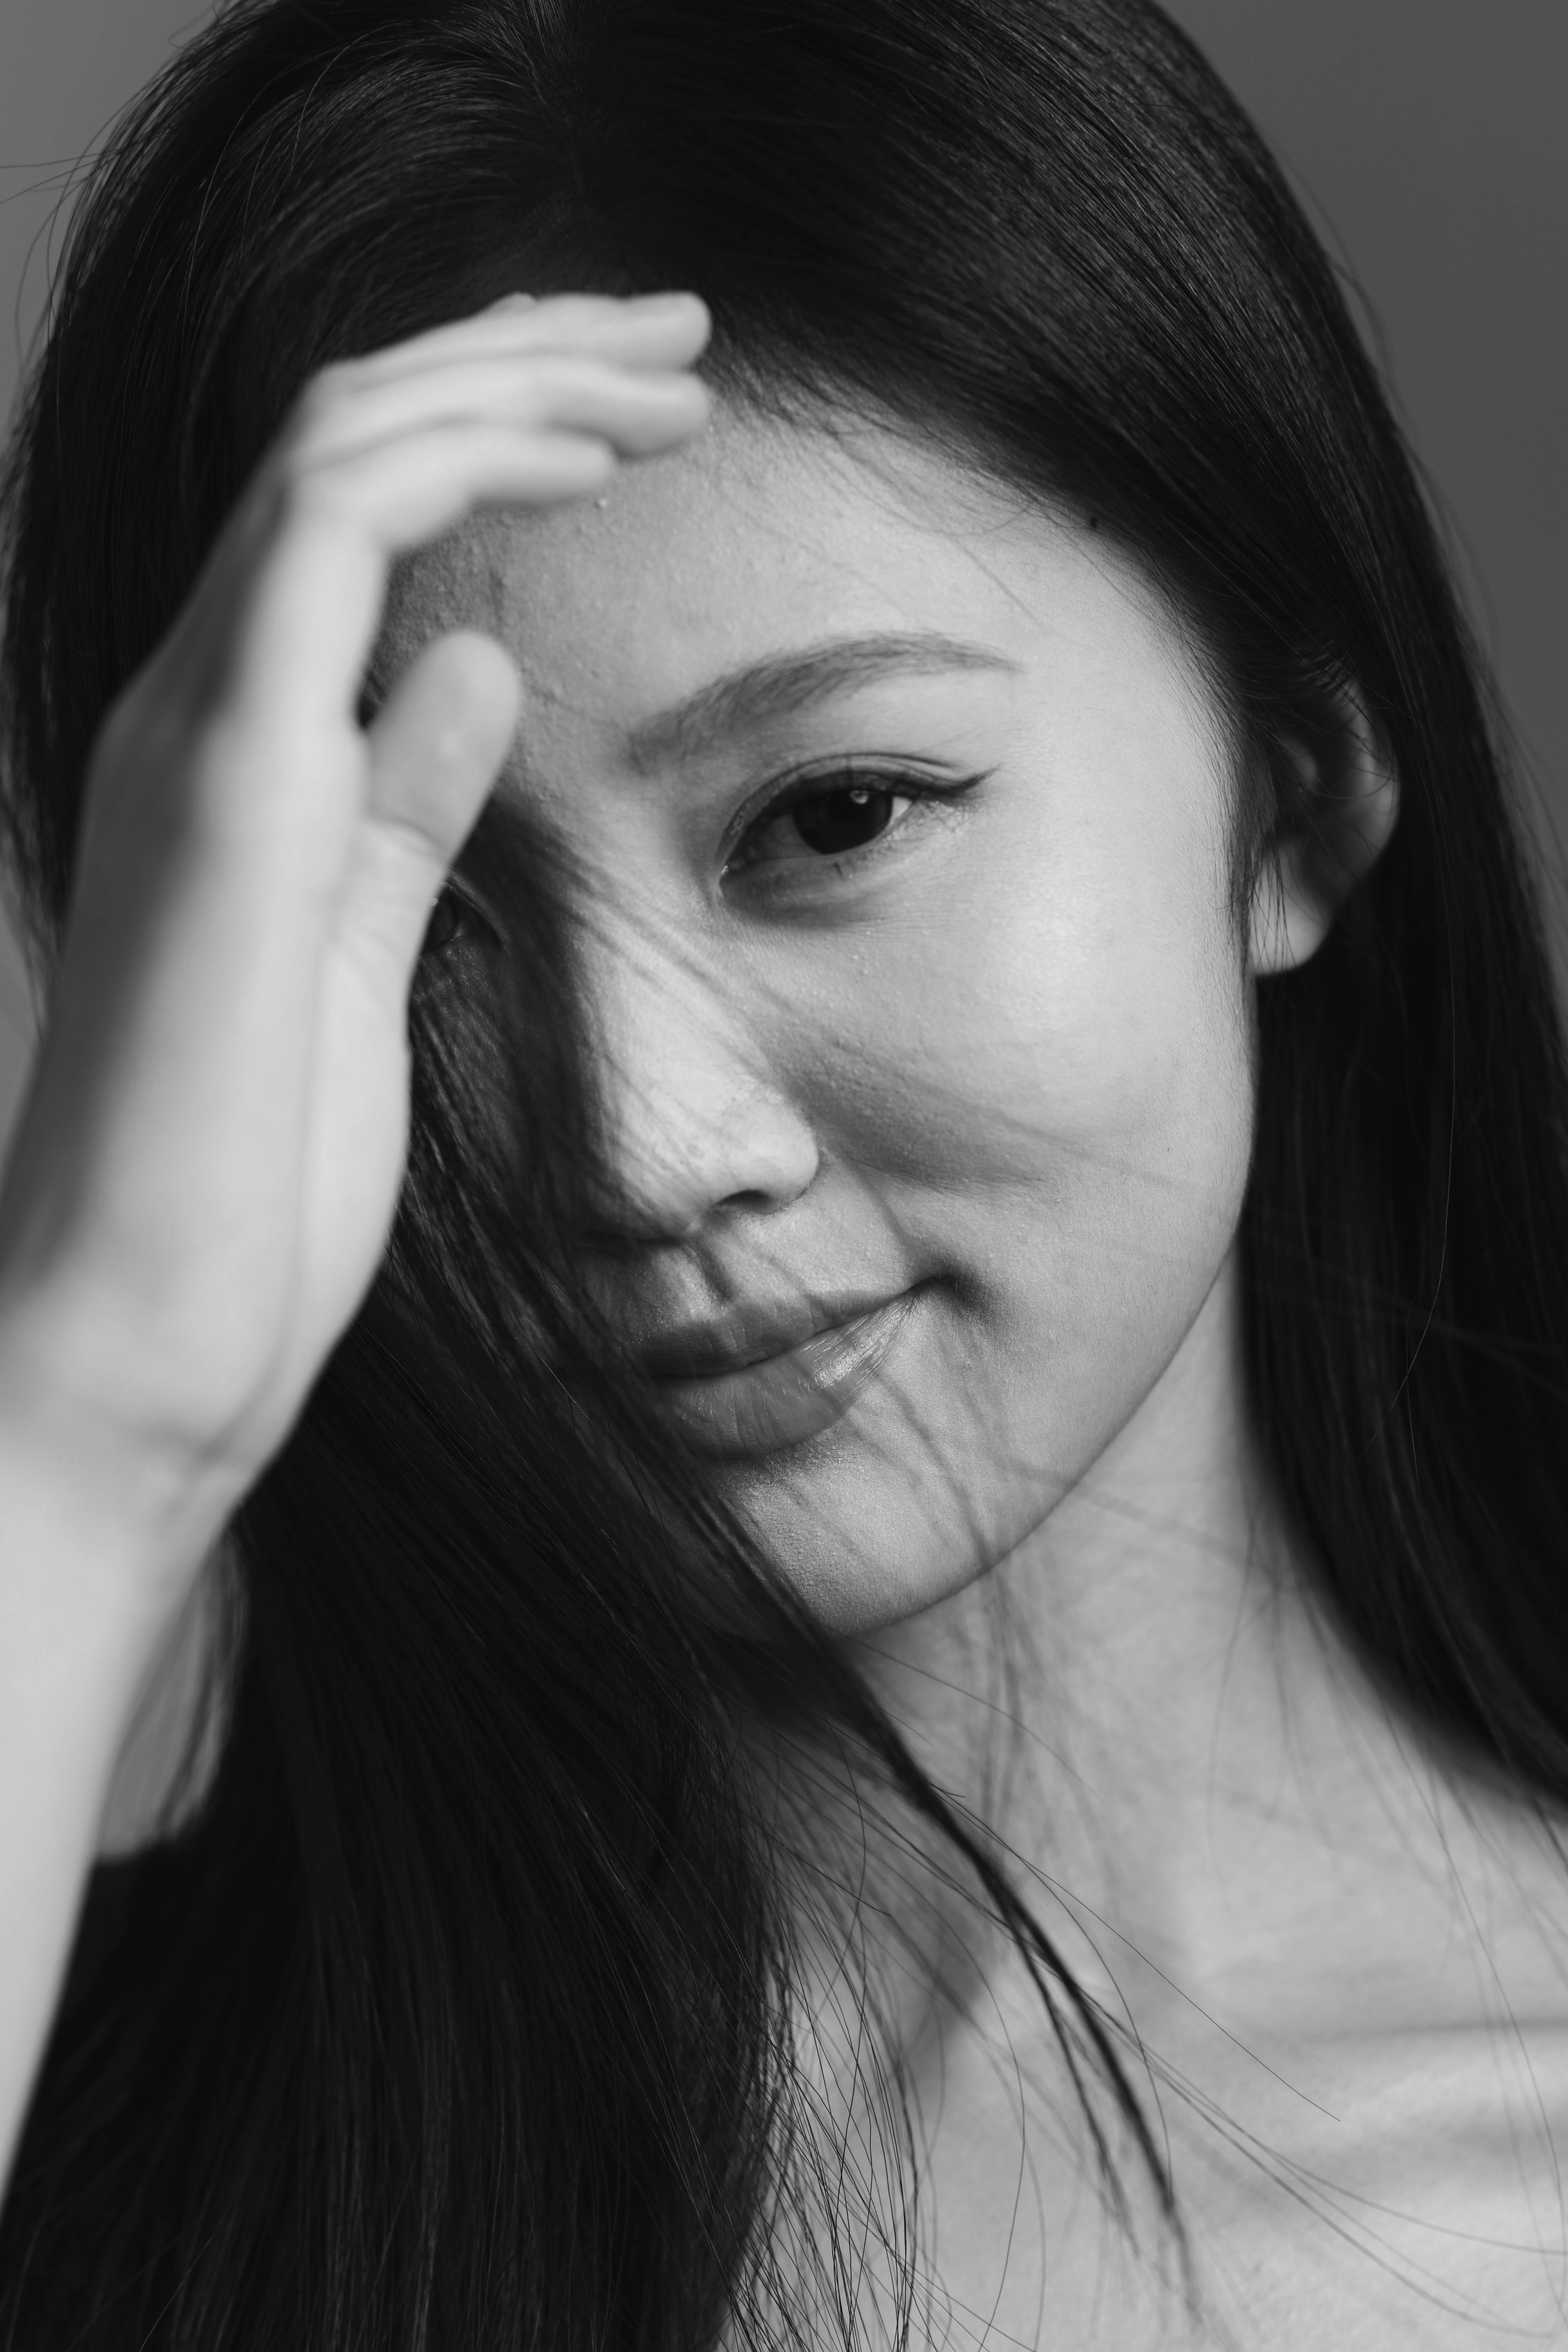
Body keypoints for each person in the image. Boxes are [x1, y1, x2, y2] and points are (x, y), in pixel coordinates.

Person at [0, 0, 1565, 2342]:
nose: (647, 1145)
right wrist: (88, 1422)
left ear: (1302, 790)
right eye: (423, 927)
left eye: (833, 818)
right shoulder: (98, 2163)